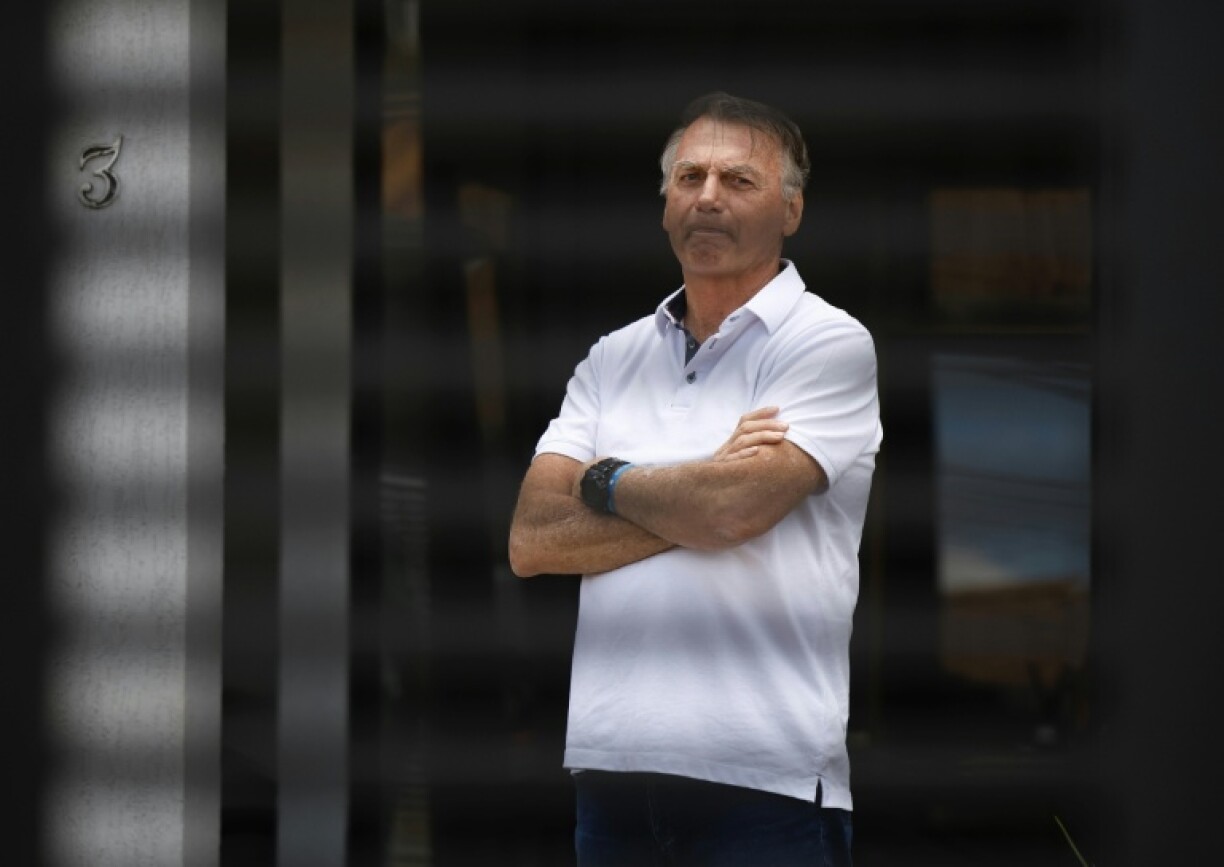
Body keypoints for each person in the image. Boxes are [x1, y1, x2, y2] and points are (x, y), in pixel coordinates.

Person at [508, 91, 882, 866]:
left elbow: (734, 510)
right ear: (665, 203)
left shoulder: (827, 342)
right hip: (612, 775)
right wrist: (705, 479)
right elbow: (531, 540)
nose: (708, 196)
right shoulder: (614, 357)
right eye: (690, 177)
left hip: (766, 784)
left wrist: (605, 481)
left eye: (739, 181)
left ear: (792, 210)